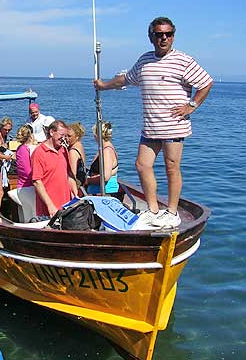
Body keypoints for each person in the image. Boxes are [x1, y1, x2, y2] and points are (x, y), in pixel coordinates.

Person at [94, 16, 213, 228]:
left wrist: (191, 106)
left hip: (173, 125)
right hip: (150, 127)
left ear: (173, 36)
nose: (164, 38)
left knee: (171, 167)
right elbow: (126, 79)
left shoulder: (184, 61)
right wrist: (103, 85)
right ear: (152, 37)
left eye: (168, 34)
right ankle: (153, 210)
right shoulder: (144, 60)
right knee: (142, 165)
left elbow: (206, 82)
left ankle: (172, 212)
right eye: (159, 34)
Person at [32, 120, 78, 218]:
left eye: (66, 135)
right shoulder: (39, 153)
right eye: (61, 134)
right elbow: (37, 181)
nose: (64, 138)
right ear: (52, 132)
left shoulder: (63, 150)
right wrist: (50, 205)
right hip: (49, 210)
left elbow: (68, 174)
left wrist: (75, 194)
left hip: (66, 206)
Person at [7, 124, 37, 222]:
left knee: (27, 218)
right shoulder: (29, 149)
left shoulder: (20, 148)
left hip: (22, 187)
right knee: (35, 217)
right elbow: (29, 171)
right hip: (30, 188)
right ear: (31, 135)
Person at [86, 121, 121, 199]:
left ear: (97, 135)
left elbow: (105, 176)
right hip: (97, 191)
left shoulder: (107, 151)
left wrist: (88, 181)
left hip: (105, 193)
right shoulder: (103, 149)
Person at [67, 122, 87, 187]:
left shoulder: (72, 151)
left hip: (76, 184)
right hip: (81, 181)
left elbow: (72, 174)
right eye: (65, 135)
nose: (66, 138)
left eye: (69, 136)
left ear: (77, 137)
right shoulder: (80, 146)